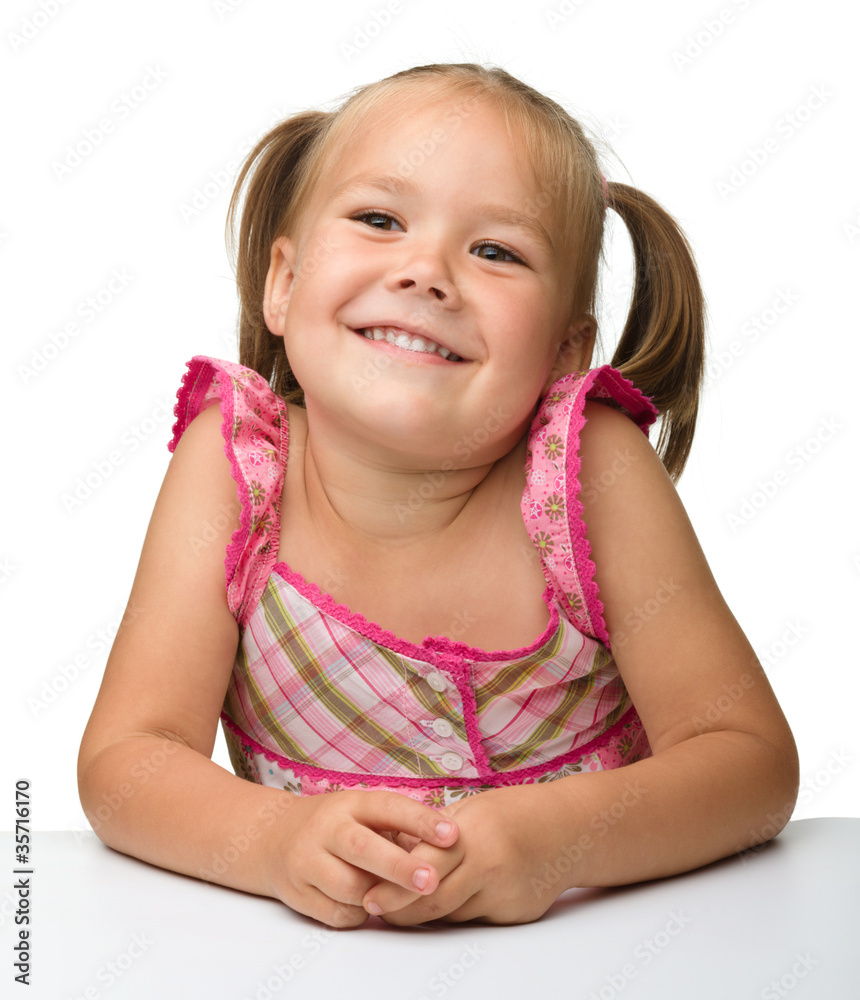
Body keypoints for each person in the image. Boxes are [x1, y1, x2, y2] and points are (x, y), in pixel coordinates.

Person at [77, 62, 799, 929]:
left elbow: (752, 765)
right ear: (283, 281)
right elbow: (127, 760)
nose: (426, 271)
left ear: (567, 352)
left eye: (495, 250)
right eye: (380, 220)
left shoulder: (588, 476)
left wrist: (552, 843)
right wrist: (276, 839)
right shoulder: (235, 468)